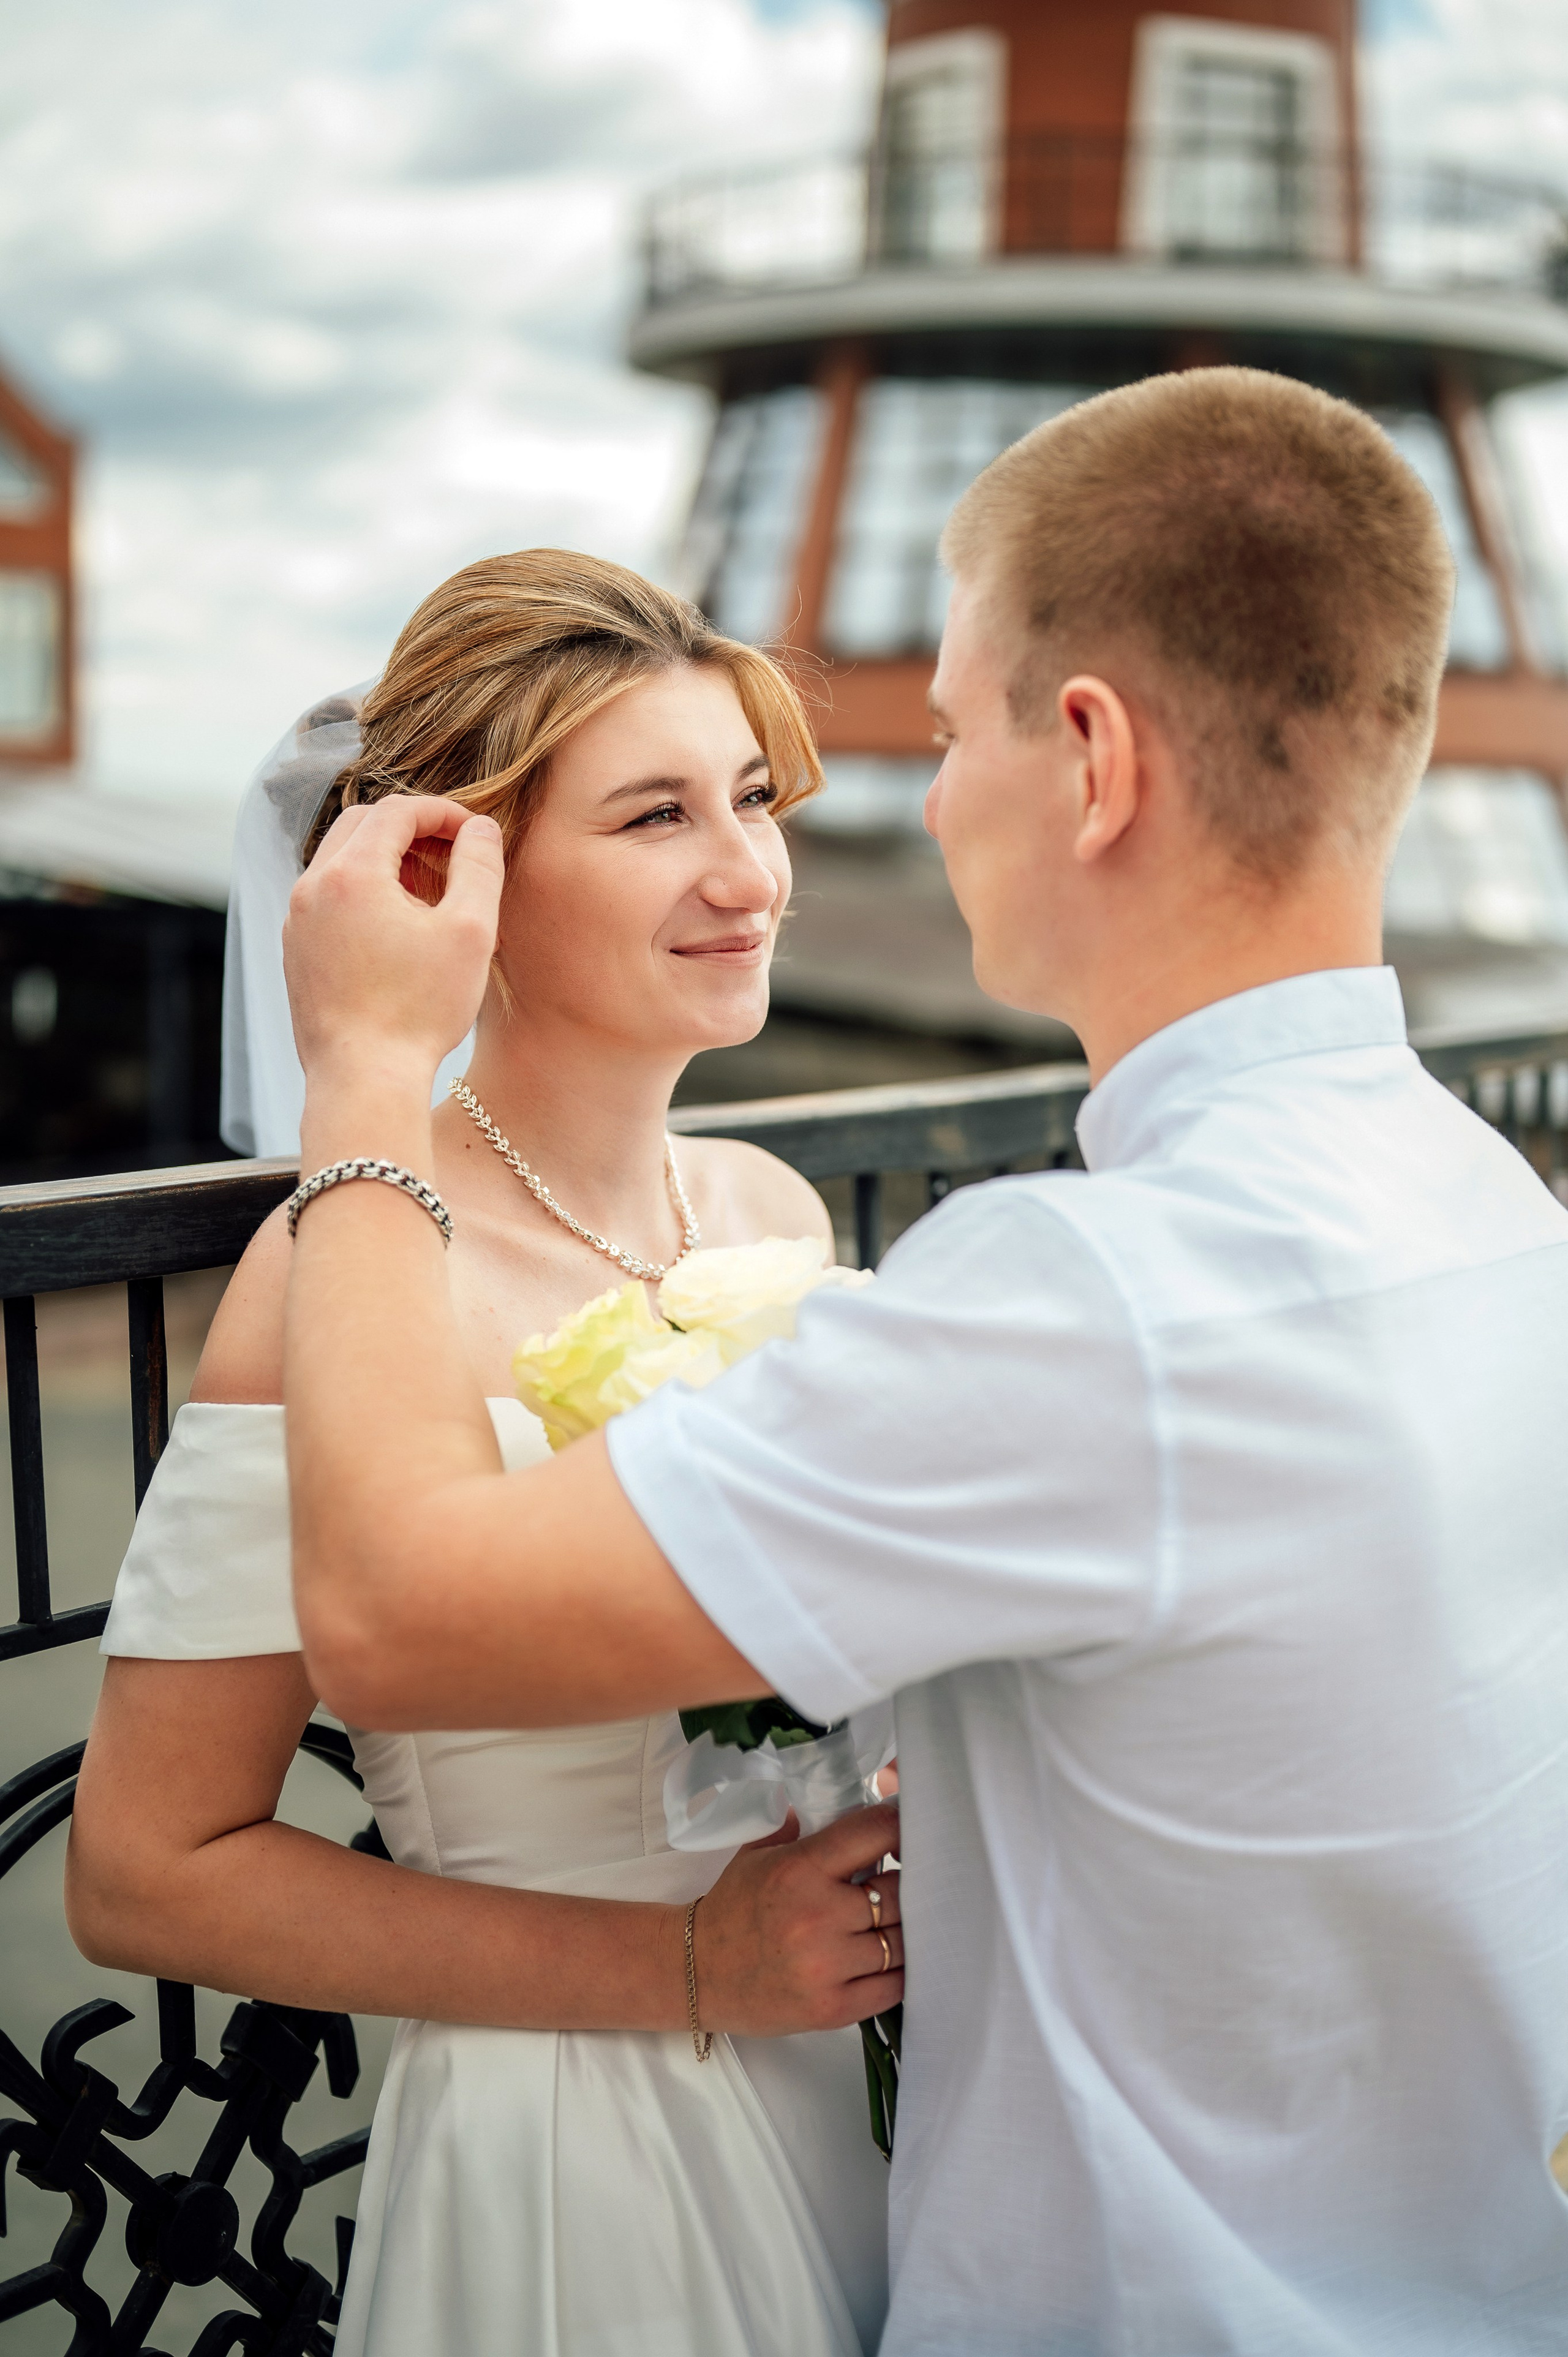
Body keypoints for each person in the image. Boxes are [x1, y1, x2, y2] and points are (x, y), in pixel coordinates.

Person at [273, 366, 1568, 2354]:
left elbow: (380, 1612)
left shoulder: (1090, 1307)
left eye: (946, 734)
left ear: (1090, 760)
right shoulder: (1495, 1216)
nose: (915, 802)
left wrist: (363, 1071)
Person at [66, 551, 901, 2357]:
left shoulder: (765, 1206)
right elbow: (143, 1864)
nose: (749, 875)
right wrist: (685, 1968)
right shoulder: (348, 1260)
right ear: (467, 876)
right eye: (658, 815)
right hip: (579, 2142)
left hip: (841, 2075)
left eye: (753, 799)